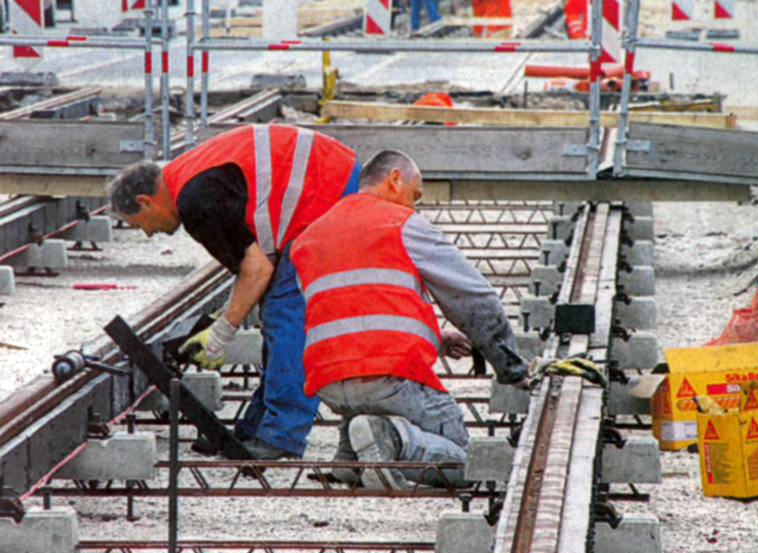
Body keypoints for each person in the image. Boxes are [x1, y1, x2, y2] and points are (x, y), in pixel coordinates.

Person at [106, 124, 360, 461]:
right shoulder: (186, 180)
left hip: (330, 192)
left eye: (140, 224)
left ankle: (282, 436)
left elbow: (256, 269)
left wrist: (222, 333)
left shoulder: (196, 201)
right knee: (276, 310)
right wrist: (223, 320)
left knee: (287, 316)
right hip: (328, 183)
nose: (150, 234)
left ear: (146, 201)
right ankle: (256, 428)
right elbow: (255, 269)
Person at [290, 150, 530, 488]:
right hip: (390, 381)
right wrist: (512, 370)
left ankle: (350, 457)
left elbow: (351, 312)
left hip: (327, 383)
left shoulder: (309, 238)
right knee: (468, 464)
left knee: (364, 396)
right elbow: (475, 300)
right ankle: (391, 439)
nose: (414, 207)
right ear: (395, 180)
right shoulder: (402, 224)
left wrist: (434, 338)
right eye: (414, 195)